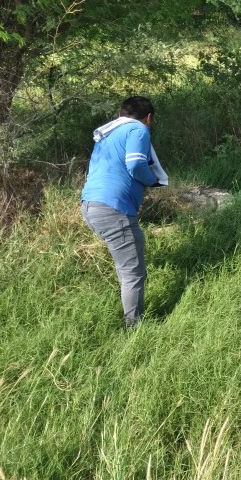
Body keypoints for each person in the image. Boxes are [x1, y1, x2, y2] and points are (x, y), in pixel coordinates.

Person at [80, 96, 168, 328]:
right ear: (148, 118)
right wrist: (152, 181)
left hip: (90, 206)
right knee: (133, 271)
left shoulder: (107, 135)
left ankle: (130, 315)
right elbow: (136, 164)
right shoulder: (138, 130)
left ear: (121, 113)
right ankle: (134, 326)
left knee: (126, 266)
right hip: (112, 209)